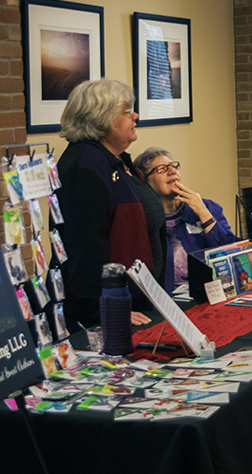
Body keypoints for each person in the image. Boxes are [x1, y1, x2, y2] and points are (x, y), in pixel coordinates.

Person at [55, 79, 166, 330]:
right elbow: (84, 249)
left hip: (138, 301)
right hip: (104, 315)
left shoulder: (116, 160)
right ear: (102, 119)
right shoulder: (85, 166)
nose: (135, 116)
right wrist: (108, 308)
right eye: (127, 111)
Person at [134, 147, 238, 294]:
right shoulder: (143, 218)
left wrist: (204, 214)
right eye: (162, 169)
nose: (172, 172)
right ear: (145, 182)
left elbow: (232, 256)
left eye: (173, 166)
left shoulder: (208, 208)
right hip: (167, 300)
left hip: (210, 296)